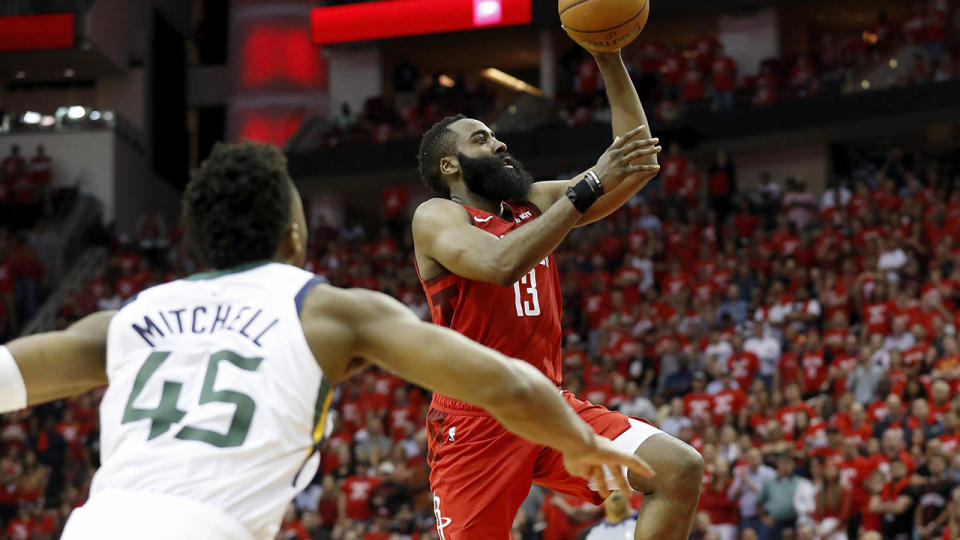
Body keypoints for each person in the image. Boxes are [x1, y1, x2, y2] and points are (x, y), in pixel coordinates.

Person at [0, 143, 651, 540]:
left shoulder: (122, 321)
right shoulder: (330, 314)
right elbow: (507, 384)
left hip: (95, 527)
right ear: (293, 236)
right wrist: (580, 443)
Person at [412, 41, 703, 539]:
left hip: (547, 405)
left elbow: (634, 164)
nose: (500, 145)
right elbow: (500, 263)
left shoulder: (531, 204)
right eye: (482, 140)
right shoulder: (438, 215)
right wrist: (586, 185)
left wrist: (608, 57)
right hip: (478, 420)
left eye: (496, 137)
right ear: (450, 166)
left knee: (678, 470)